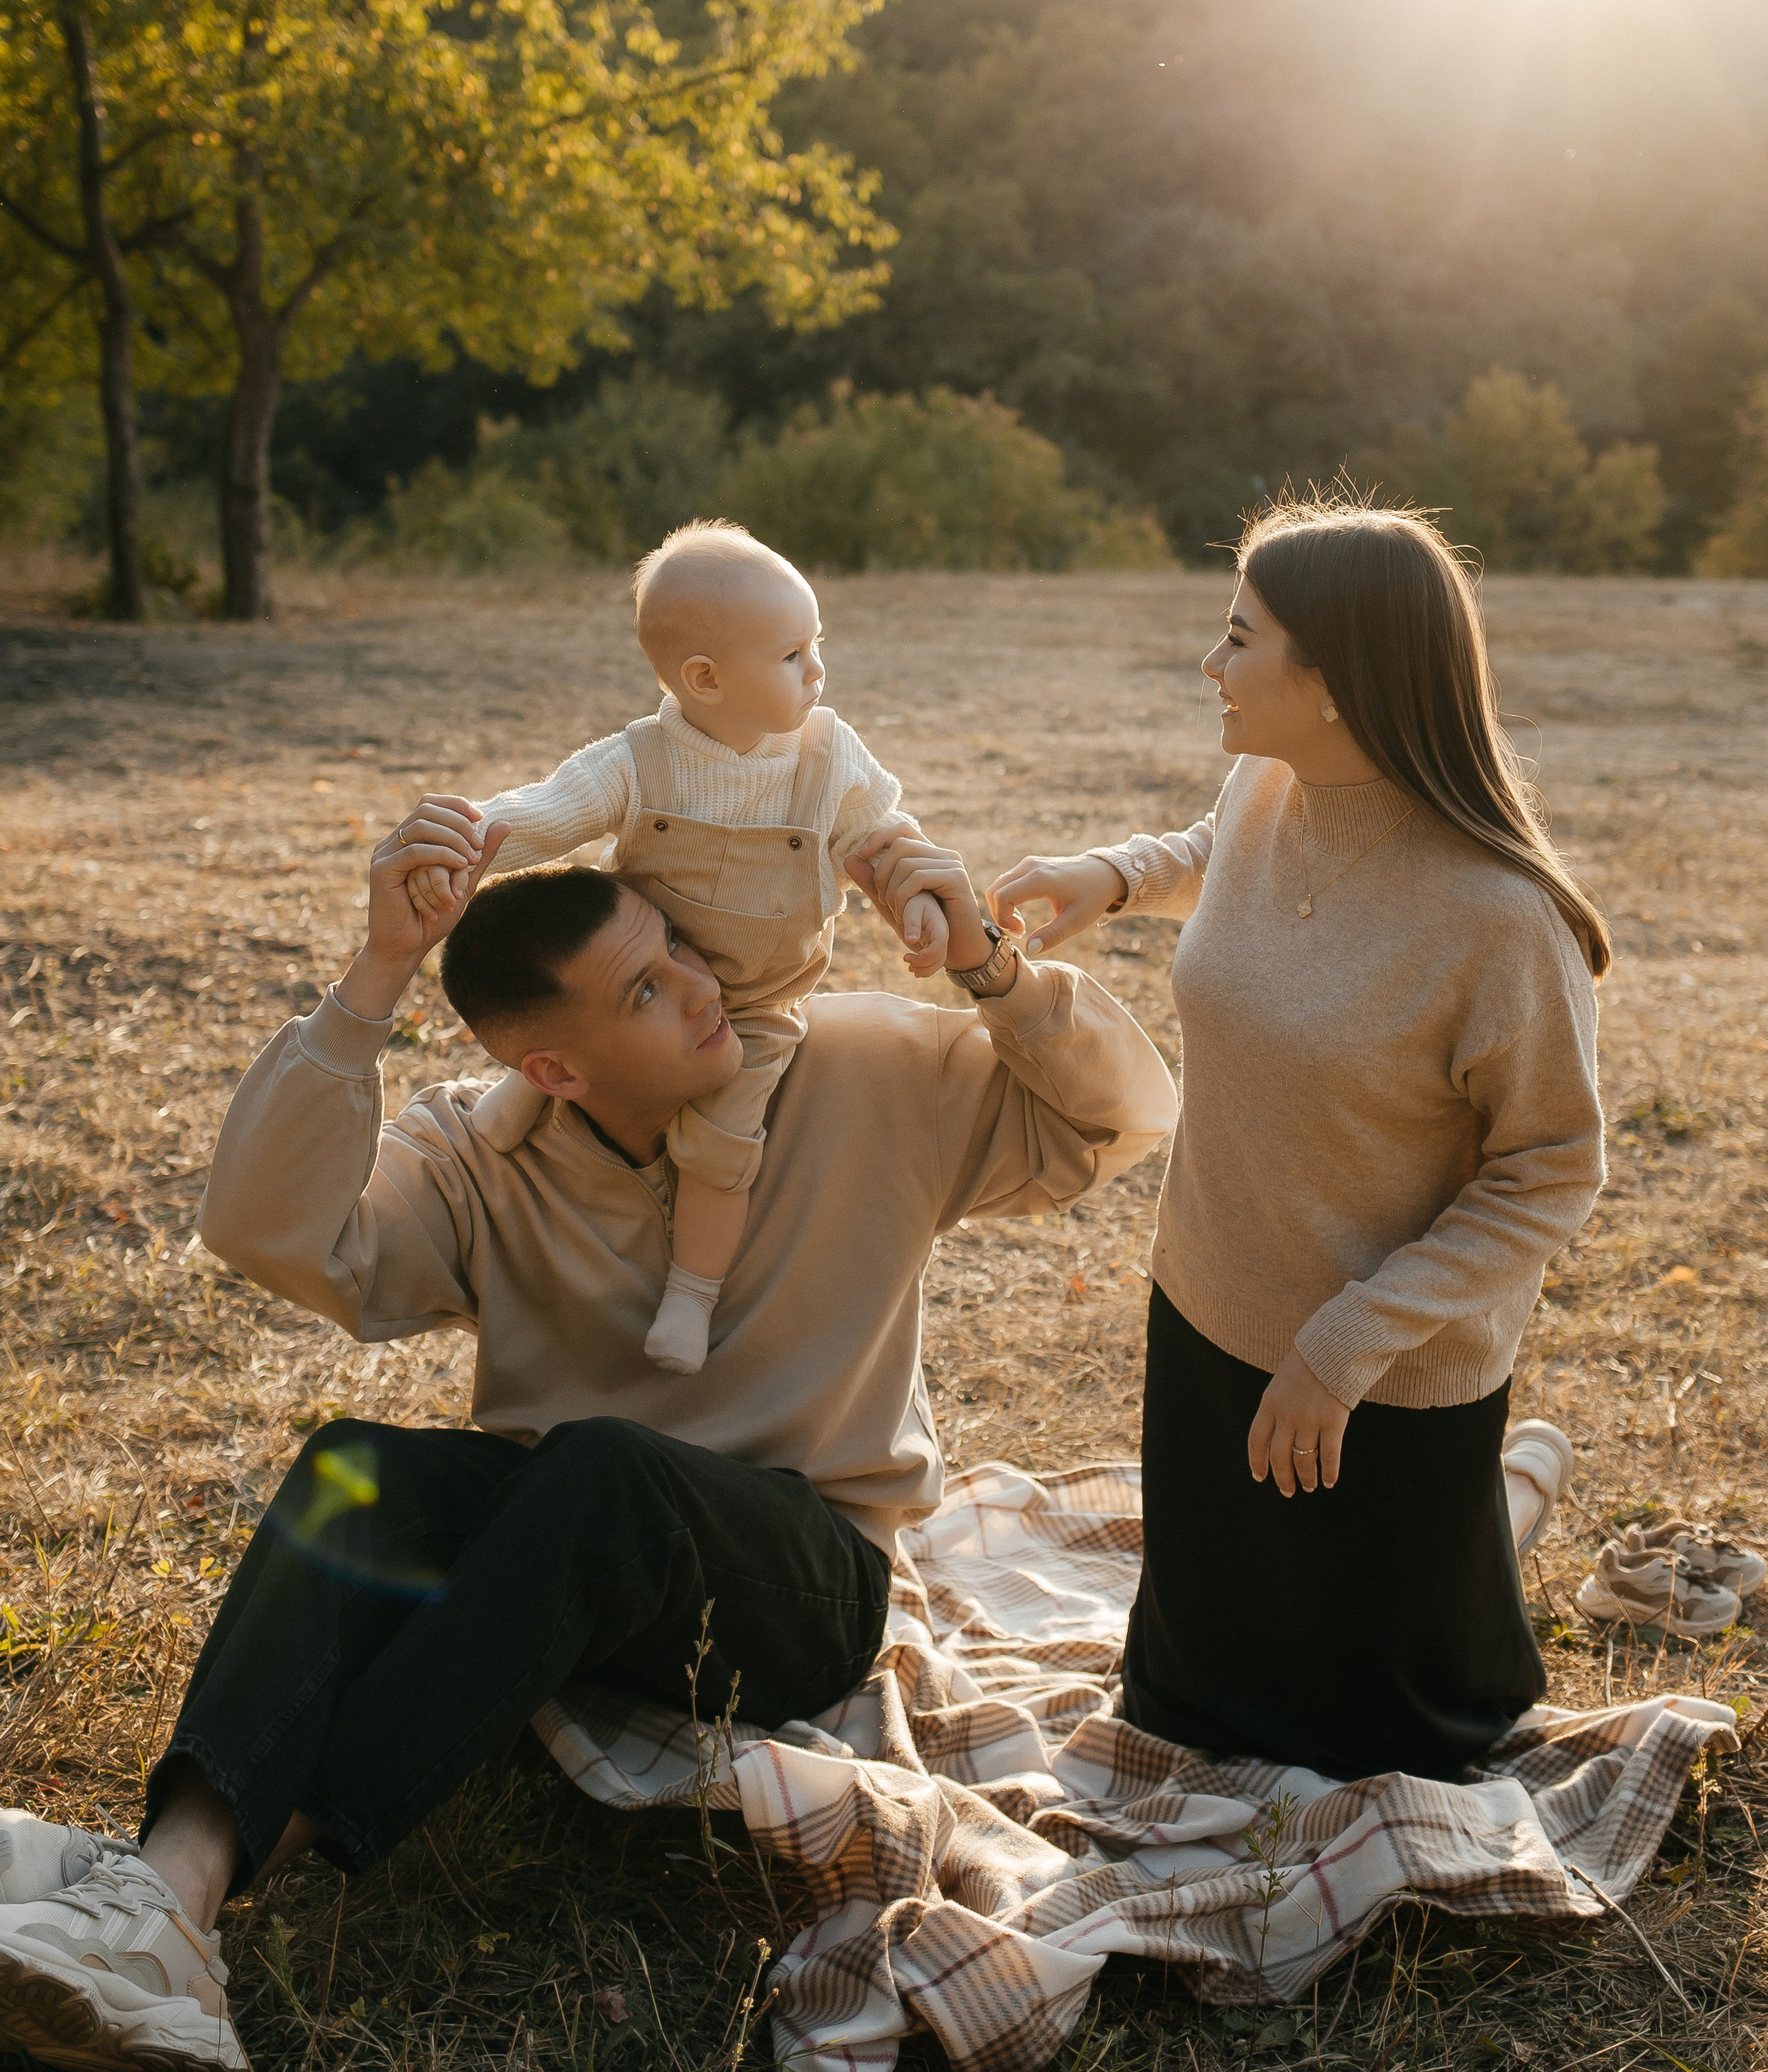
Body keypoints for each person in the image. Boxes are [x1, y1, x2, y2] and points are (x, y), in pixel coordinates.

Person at [0, 796, 1175, 2072]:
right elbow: (274, 1236)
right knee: (358, 1466)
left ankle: (218, 1887)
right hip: (563, 1556)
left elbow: (1119, 1118)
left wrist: (990, 969)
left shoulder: (859, 1067)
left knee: (607, 1468)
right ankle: (169, 1886)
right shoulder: (480, 1149)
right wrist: (373, 976)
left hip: (801, 1576)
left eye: (676, 948)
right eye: (642, 992)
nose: (697, 988)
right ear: (551, 1068)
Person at [990, 496, 1607, 1781]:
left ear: (1334, 682)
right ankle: (1493, 1519)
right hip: (1208, 1302)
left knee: (1401, 1743)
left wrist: (1344, 1349)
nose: (1210, 666)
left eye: (1238, 639)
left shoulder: (1501, 923)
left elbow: (1551, 1168)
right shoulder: (1274, 780)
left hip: (1374, 1370)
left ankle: (1494, 1508)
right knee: (1184, 1709)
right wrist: (1110, 875)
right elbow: (1224, 854)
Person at [410, 520, 943, 1375]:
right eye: (792, 655)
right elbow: (545, 814)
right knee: (598, 1009)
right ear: (705, 679)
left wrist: (913, 900)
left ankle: (691, 1295)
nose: (817, 671)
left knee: (722, 1146)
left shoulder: (828, 752)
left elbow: (881, 837)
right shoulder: (638, 760)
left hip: (762, 998)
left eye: (817, 646)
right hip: (651, 968)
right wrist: (463, 848)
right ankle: (522, 1091)